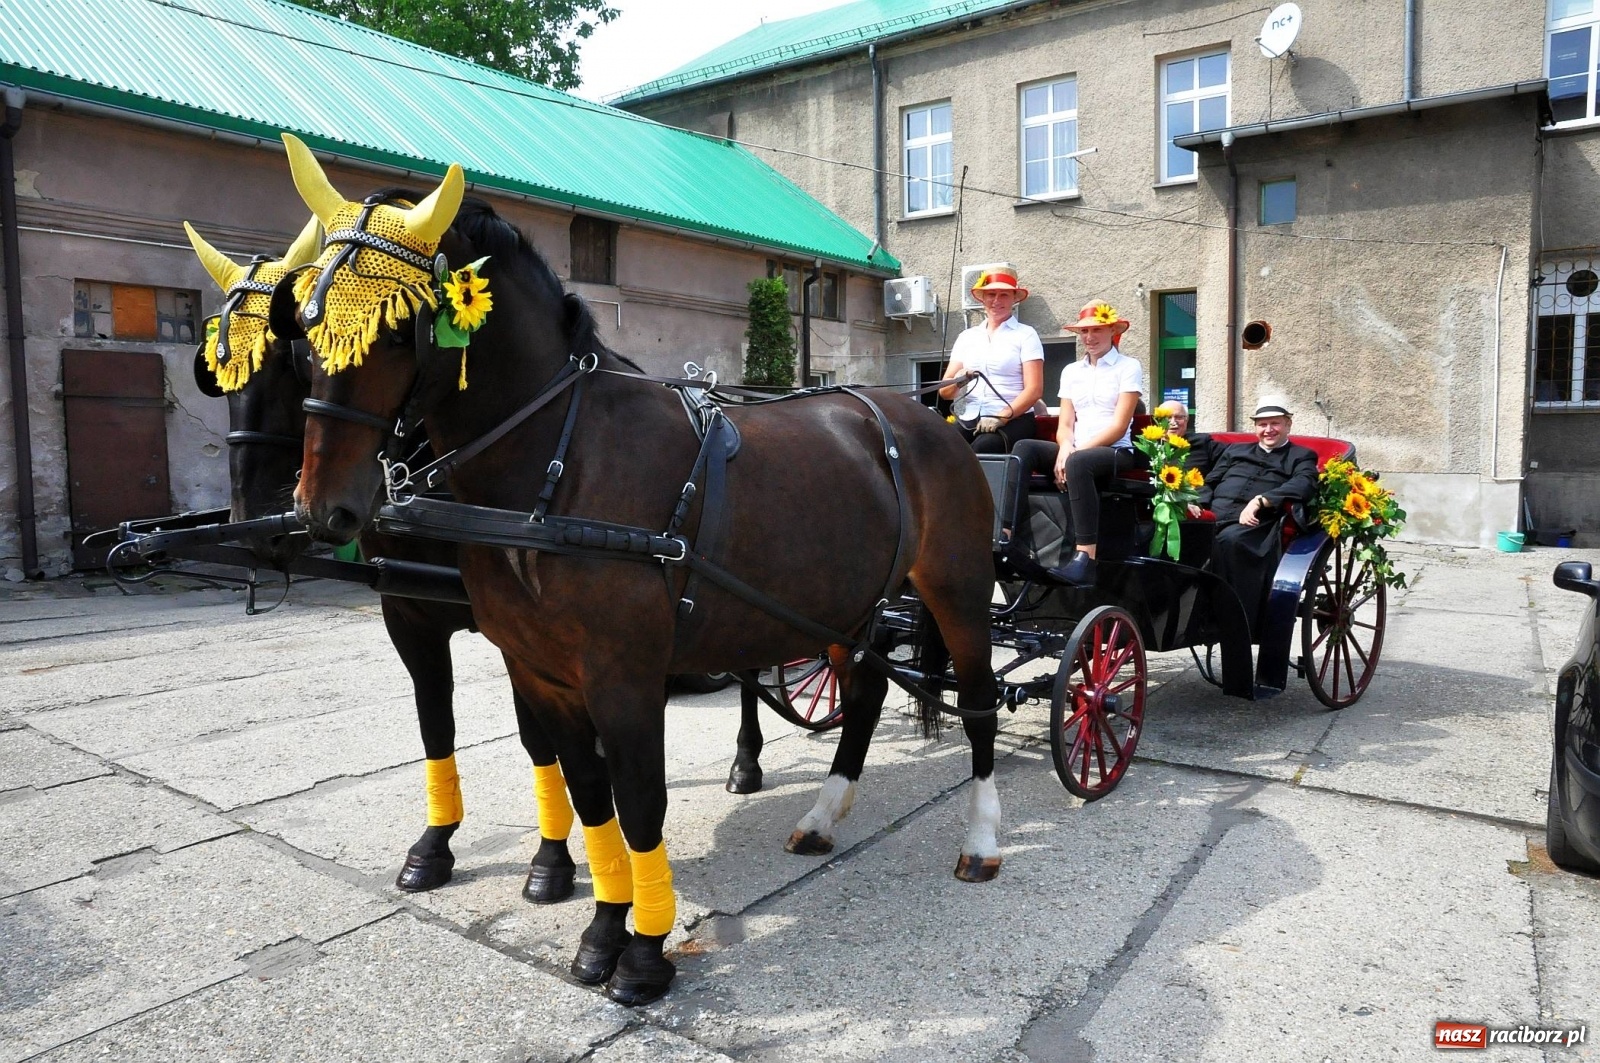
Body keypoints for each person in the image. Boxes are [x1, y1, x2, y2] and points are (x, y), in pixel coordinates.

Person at [1035, 301, 1145, 587]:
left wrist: (1074, 454)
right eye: (1084, 331)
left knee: (1079, 463)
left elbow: (1119, 425)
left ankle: (1086, 558)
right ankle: (1006, 537)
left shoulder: (1128, 366)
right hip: (1075, 449)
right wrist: (1064, 448)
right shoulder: (1071, 371)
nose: (1089, 337)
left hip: (1115, 451)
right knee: (1024, 450)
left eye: (1096, 330)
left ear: (1112, 331)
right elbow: (1066, 424)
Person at [1194, 401, 1319, 635]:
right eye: (1263, 424)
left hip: (1257, 524)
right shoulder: (1235, 452)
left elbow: (1303, 484)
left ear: (1288, 425)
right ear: (1255, 428)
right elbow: (1209, 482)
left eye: (1275, 424)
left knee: (1229, 542)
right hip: (1215, 514)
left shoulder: (1302, 456)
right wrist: (1197, 502)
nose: (1268, 430)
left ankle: (1229, 619)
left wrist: (1261, 500)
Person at [938, 267, 1044, 454]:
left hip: (1014, 419)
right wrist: (959, 379)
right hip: (971, 416)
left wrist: (1001, 417)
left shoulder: (1026, 335)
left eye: (1004, 295)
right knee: (944, 447)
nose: (996, 301)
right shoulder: (967, 337)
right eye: (991, 294)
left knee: (983, 448)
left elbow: (1034, 390)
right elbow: (945, 392)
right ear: (983, 299)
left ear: (1013, 299)